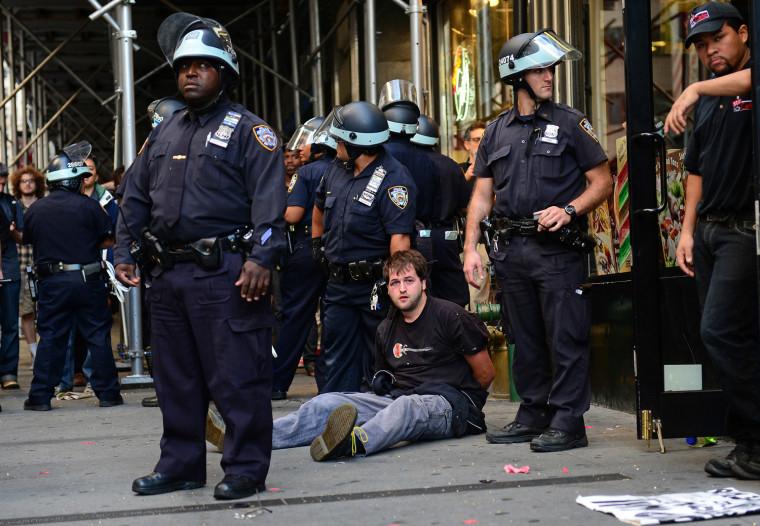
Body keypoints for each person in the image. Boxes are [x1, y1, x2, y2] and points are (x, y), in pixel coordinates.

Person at [115, 13, 286, 500]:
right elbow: (136, 197)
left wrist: (262, 258)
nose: (190, 73)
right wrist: (126, 248)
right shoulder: (165, 131)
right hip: (168, 276)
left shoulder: (251, 132)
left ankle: (246, 467)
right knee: (175, 380)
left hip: (228, 275)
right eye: (184, 65)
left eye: (203, 66)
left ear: (224, 73)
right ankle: (181, 465)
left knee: (237, 378)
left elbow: (270, 202)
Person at [463, 29, 612, 452]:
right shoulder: (494, 133)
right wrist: (470, 247)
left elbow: (602, 181)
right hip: (512, 252)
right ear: (517, 77)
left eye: (551, 68)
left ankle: (569, 422)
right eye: (541, 69)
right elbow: (482, 195)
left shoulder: (571, 122)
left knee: (566, 337)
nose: (550, 76)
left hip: (558, 250)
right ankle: (534, 413)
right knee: (523, 337)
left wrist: (569, 209)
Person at [269, 249, 494, 461]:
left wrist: (462, 405)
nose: (402, 289)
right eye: (395, 283)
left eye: (409, 281)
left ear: (423, 283)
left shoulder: (451, 316)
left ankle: (351, 443)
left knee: (407, 407)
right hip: (397, 399)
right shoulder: (385, 329)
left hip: (448, 406)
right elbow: (384, 378)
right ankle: (259, 438)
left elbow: (486, 374)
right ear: (388, 288)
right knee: (325, 402)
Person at [666, 2, 760, 480]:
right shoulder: (706, 101)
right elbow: (695, 171)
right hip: (710, 232)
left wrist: (694, 87)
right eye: (701, 46)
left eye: (717, 39)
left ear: (744, 33)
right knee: (725, 338)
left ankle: (757, 443)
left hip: (747, 226)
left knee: (721, 332)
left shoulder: (742, 82)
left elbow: (750, 80)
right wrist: (686, 231)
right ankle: (748, 445)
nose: (710, 51)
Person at [311, 101, 417, 393]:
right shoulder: (335, 169)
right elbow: (319, 208)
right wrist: (316, 245)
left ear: (358, 144)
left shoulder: (395, 179)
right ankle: (335, 415)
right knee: (335, 359)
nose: (335, 143)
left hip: (374, 288)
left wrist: (396, 286)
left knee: (378, 359)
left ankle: (377, 419)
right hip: (337, 287)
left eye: (340, 139)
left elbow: (400, 242)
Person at [22, 141, 121, 411]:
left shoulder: (36, 210)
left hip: (52, 283)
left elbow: (29, 239)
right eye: (79, 179)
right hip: (88, 280)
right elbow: (108, 239)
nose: (82, 183)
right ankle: (109, 395)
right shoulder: (91, 207)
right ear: (70, 181)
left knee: (52, 338)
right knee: (98, 336)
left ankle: (40, 397)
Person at [271, 117, 332, 399]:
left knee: (296, 318)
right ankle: (331, 383)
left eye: (304, 143)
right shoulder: (343, 168)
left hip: (306, 250)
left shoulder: (305, 174)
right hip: (337, 250)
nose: (299, 150)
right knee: (334, 318)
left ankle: (277, 383)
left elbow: (292, 215)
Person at [377, 79, 439, 281]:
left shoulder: (378, 157)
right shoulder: (428, 161)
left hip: (385, 241)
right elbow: (431, 202)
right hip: (421, 237)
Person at [410, 115, 470, 307]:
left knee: (420, 293)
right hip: (446, 237)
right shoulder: (452, 166)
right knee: (453, 294)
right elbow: (464, 205)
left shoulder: (405, 166)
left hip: (416, 236)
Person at [11, 166, 45, 370]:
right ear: (18, 184)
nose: (27, 183)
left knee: (47, 312)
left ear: (37, 183)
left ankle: (45, 353)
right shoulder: (14, 207)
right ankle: (34, 354)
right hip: (22, 265)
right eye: (23, 180)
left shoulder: (43, 205)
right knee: (26, 312)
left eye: (31, 180)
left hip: (43, 264)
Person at [458, 121, 490, 311]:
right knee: (468, 294)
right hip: (466, 241)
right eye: (477, 140)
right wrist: (467, 177)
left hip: (488, 240)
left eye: (484, 139)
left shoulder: (494, 169)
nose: (481, 143)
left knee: (483, 295)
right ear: (467, 144)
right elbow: (450, 202)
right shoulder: (459, 170)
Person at [0, 163, 24, 390]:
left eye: (2, 183)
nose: (0, 187)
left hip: (9, 269)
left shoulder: (11, 203)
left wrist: (13, 232)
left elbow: (22, 238)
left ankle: (8, 373)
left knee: (10, 324)